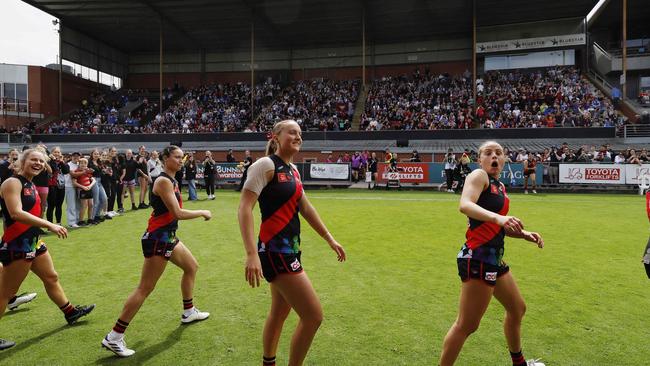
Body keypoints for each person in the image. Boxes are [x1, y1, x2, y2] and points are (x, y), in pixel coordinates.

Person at [238, 120, 346, 366]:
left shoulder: (294, 170)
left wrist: (329, 238)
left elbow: (305, 208)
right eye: (292, 132)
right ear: (276, 136)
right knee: (313, 316)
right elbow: (245, 208)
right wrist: (251, 253)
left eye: (300, 133)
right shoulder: (265, 165)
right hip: (275, 252)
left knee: (279, 313)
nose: (298, 136)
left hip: (290, 250)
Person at [439, 141, 544, 366]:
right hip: (477, 256)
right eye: (488, 153)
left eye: (499, 153)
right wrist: (499, 218)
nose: (494, 156)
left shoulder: (500, 187)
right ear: (480, 159)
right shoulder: (478, 176)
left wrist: (523, 234)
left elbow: (496, 226)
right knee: (466, 325)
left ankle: (520, 363)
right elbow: (465, 204)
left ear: (504, 160)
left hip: (494, 257)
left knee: (517, 308)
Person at [101, 145, 211, 357]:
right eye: (177, 157)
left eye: (182, 157)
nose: (181, 160)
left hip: (167, 237)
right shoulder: (162, 181)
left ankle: (189, 312)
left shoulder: (171, 180)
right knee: (144, 288)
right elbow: (177, 213)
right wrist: (202, 211)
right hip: (158, 239)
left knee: (191, 267)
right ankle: (114, 336)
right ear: (165, 158)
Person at [0, 149, 94, 349]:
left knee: (51, 277)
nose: (38, 163)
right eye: (33, 160)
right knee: (5, 293)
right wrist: (49, 224)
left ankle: (70, 312)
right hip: (18, 243)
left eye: (41, 161)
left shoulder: (30, 183)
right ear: (22, 161)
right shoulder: (12, 183)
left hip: (33, 241)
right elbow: (15, 213)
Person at [46, 147, 69, 225]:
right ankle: (50, 224)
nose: (57, 154)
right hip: (51, 185)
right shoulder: (49, 162)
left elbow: (66, 171)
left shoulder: (62, 162)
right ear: (51, 153)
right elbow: (53, 169)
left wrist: (61, 162)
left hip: (61, 186)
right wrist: (53, 160)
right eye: (55, 152)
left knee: (59, 205)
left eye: (58, 152)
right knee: (51, 205)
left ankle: (58, 223)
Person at [73, 158, 96, 227]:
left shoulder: (88, 172)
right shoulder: (77, 172)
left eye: (85, 163)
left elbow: (93, 180)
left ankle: (90, 219)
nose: (83, 164)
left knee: (91, 204)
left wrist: (90, 186)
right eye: (81, 163)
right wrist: (83, 187)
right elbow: (74, 183)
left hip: (89, 189)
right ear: (79, 164)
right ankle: (81, 221)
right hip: (82, 190)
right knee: (84, 205)